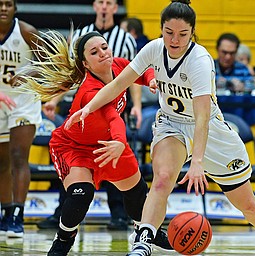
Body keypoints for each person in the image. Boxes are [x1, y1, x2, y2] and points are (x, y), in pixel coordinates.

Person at [65, 1, 255, 255]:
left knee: (248, 205)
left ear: (192, 33)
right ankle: (144, 241)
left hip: (208, 128)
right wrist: (89, 108)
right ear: (161, 29)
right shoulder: (154, 49)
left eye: (182, 34)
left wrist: (197, 161)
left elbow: (201, 117)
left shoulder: (199, 60)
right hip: (171, 124)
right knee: (162, 180)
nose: (174, 40)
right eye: (168, 32)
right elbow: (118, 83)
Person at [18, 30, 172, 255]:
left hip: (107, 143)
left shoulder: (118, 65)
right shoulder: (90, 91)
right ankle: (63, 239)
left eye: (104, 47)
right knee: (81, 193)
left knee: (137, 191)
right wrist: (120, 141)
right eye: (94, 52)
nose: (102, 53)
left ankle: (146, 230)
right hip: (75, 147)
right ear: (86, 64)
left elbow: (141, 69)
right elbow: (113, 116)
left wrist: (151, 79)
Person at [38, 0, 139, 231]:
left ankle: (119, 216)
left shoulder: (125, 40)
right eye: (101, 2)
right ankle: (65, 216)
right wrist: (53, 100)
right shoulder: (81, 36)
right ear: (95, 6)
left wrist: (138, 107)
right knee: (80, 177)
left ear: (115, 8)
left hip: (114, 104)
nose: (104, 7)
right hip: (87, 107)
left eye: (109, 3)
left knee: (115, 158)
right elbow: (72, 75)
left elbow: (134, 73)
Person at [0, 0, 42, 238]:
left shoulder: (26, 32)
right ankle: (6, 212)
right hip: (0, 100)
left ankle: (18, 215)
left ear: (15, 8)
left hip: (24, 100)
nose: (3, 8)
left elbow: (51, 64)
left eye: (8, 4)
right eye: (0, 4)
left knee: (18, 156)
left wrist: (28, 72)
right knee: (2, 161)